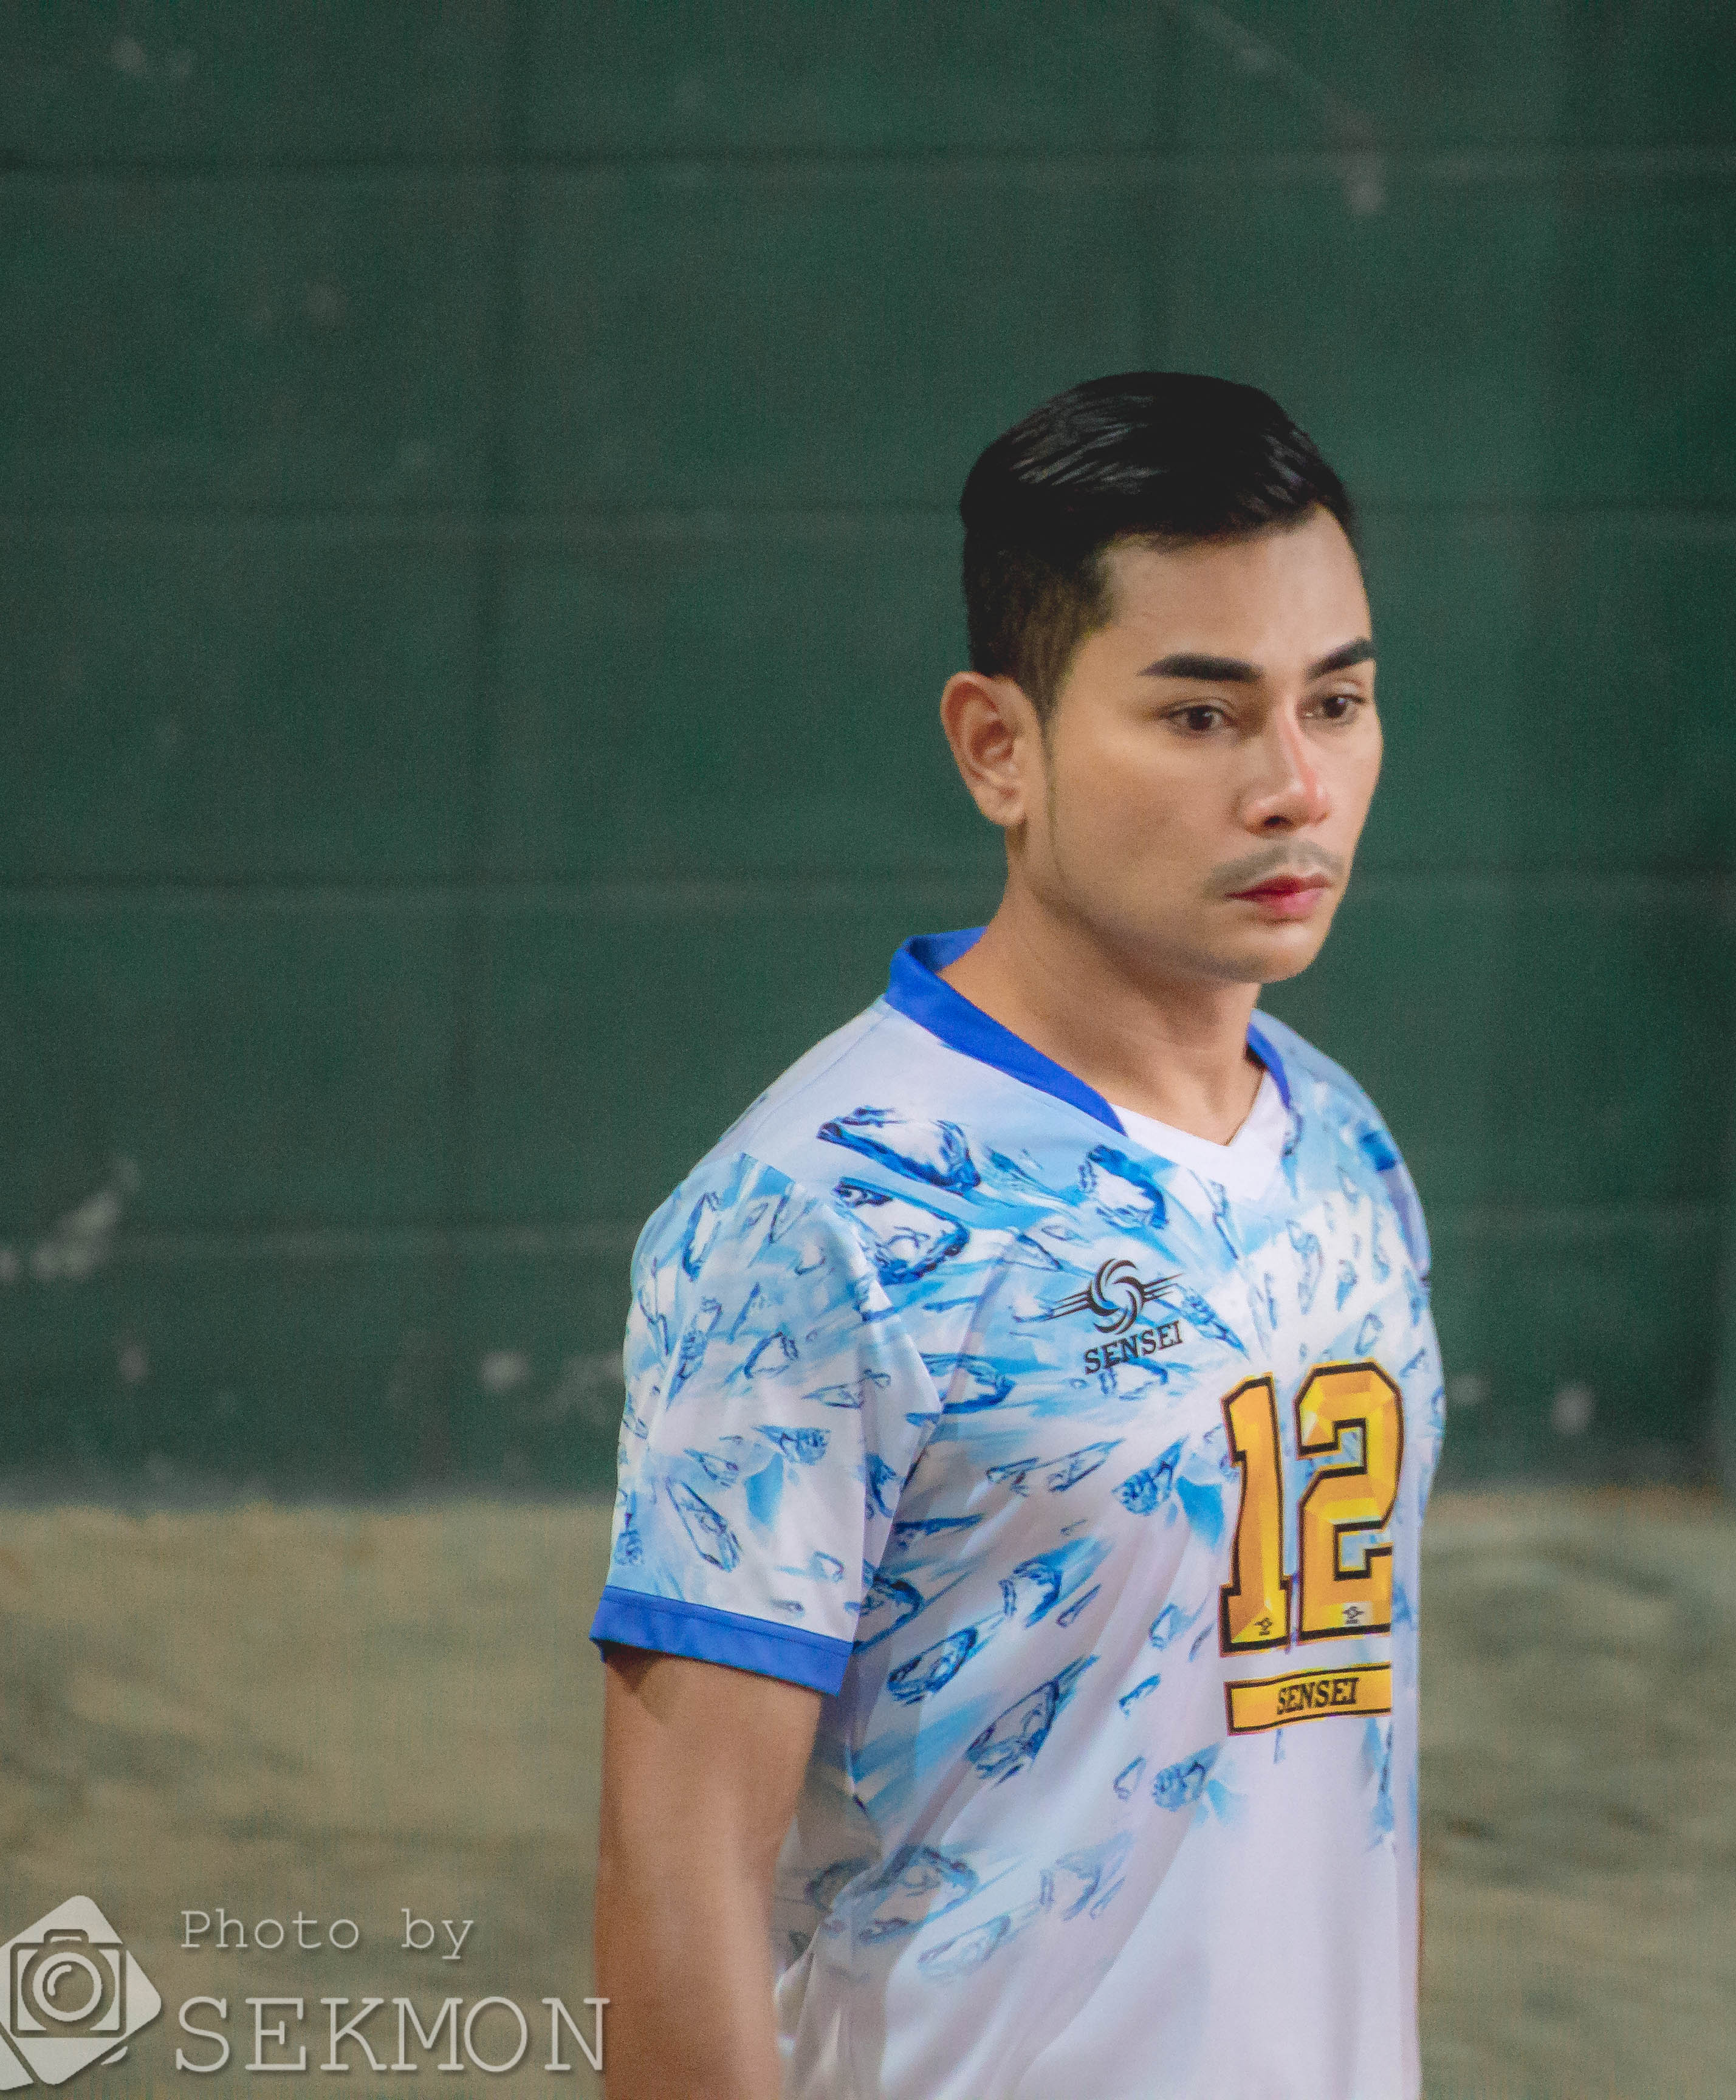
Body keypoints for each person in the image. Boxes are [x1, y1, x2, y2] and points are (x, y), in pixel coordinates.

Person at [589, 372, 1439, 2099]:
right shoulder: (825, 1216)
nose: (1297, 787)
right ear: (999, 746)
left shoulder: (1343, 1143)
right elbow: (673, 1870)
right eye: (1200, 716)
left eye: (1337, 704)